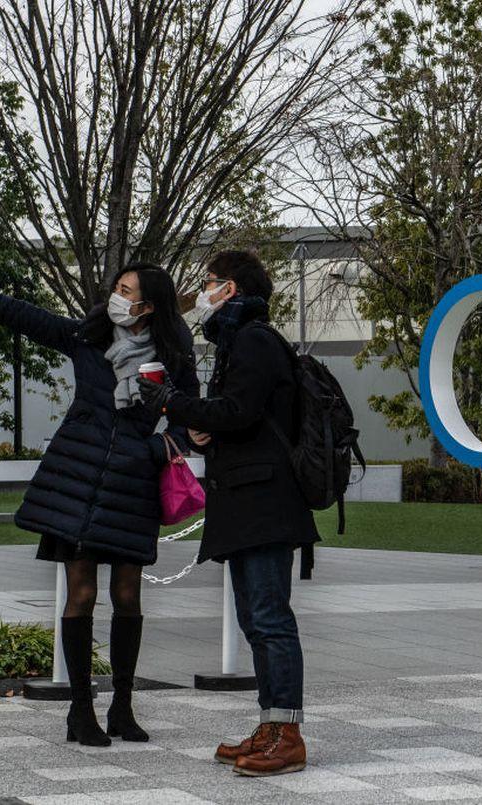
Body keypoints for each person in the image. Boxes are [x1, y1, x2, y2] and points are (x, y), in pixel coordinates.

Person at [0, 265, 198, 747]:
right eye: (117, 289)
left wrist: (149, 451)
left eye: (127, 293)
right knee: (80, 593)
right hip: (77, 481)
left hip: (133, 486)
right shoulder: (89, 337)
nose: (115, 297)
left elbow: (188, 420)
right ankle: (81, 711)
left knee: (128, 594)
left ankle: (122, 707)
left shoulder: (173, 356)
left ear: (149, 307)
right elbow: (23, 315)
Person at [139, 250, 318, 777]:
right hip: (248, 500)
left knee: (269, 619)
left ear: (231, 290)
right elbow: (242, 416)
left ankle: (287, 736)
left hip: (263, 501)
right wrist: (204, 425)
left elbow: (238, 412)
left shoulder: (254, 340)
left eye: (211, 283)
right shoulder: (242, 342)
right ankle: (271, 726)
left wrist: (172, 401)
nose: (205, 291)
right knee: (255, 620)